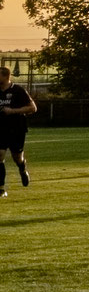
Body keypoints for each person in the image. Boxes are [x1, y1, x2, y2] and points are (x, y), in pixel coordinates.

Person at [0, 67, 35, 196]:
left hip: (17, 129)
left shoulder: (18, 90)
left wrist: (12, 111)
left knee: (17, 157)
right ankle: (1, 189)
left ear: (5, 76)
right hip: (1, 129)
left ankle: (22, 168)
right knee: (0, 155)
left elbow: (33, 108)